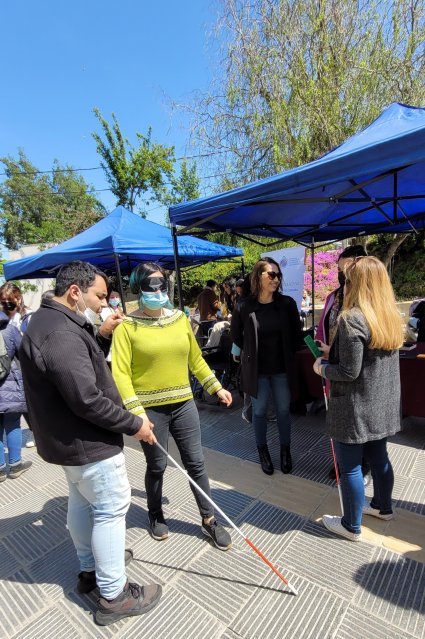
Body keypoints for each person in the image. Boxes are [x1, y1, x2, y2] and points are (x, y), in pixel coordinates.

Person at [19, 261, 162, 626]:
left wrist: (100, 337)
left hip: (70, 442)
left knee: (83, 504)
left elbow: (73, 369)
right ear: (74, 292)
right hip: (87, 442)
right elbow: (85, 398)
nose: (104, 303)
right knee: (111, 509)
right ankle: (114, 594)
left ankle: (90, 570)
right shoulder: (60, 332)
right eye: (99, 295)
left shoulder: (51, 322)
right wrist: (135, 426)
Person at [112, 261, 233, 550]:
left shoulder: (180, 319)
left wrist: (215, 386)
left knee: (197, 463)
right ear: (137, 288)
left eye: (161, 284)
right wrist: (137, 414)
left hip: (184, 404)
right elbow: (120, 373)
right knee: (157, 465)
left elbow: (195, 359)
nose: (157, 290)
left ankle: (209, 520)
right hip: (150, 410)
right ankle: (155, 514)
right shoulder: (126, 327)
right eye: (150, 285)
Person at [313, 256, 403, 541]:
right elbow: (366, 359)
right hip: (383, 403)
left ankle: (351, 525)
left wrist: (322, 367)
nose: (344, 283)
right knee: (380, 459)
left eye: (347, 278)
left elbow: (348, 372)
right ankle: (383, 507)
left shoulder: (352, 319)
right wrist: (334, 352)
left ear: (358, 283)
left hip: (355, 405)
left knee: (350, 465)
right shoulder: (389, 316)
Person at [231, 257, 303, 475]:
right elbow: (236, 335)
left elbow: (296, 334)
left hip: (282, 369)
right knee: (259, 412)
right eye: (271, 274)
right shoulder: (245, 306)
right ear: (258, 277)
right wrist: (250, 352)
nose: (276, 279)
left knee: (283, 411)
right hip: (258, 370)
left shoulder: (287, 304)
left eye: (278, 275)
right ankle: (262, 452)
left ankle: (285, 451)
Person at [316, 245, 371, 484]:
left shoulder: (371, 300)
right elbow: (324, 327)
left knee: (360, 420)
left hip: (361, 373)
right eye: (339, 270)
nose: (342, 275)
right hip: (336, 366)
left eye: (345, 269)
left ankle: (360, 465)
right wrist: (325, 349)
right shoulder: (334, 297)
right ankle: (343, 461)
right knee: (340, 417)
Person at [0, 283, 35, 447]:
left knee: (33, 402)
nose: (7, 303)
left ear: (18, 298)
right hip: (12, 371)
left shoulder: (29, 316)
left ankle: (38, 431)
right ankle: (34, 431)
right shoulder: (3, 320)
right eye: (3, 300)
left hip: (28, 366)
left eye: (10, 299)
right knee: (22, 404)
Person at [0, 311, 32, 481]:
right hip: (10, 385)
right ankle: (15, 465)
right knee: (12, 425)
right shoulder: (10, 329)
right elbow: (24, 352)